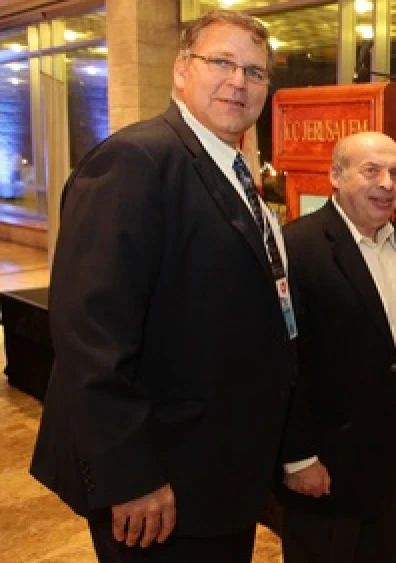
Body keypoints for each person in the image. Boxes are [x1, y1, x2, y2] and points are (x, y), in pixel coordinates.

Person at [29, 9, 296, 562]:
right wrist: (129, 475)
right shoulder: (137, 159)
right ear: (180, 71)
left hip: (217, 470)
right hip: (159, 486)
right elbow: (90, 335)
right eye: (221, 62)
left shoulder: (235, 169)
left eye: (255, 71)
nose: (238, 81)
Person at [275, 131, 396, 562]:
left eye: (395, 173)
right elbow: (284, 362)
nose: (387, 184)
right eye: (371, 171)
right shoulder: (297, 248)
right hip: (327, 467)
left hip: (391, 456)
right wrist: (298, 457)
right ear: (335, 176)